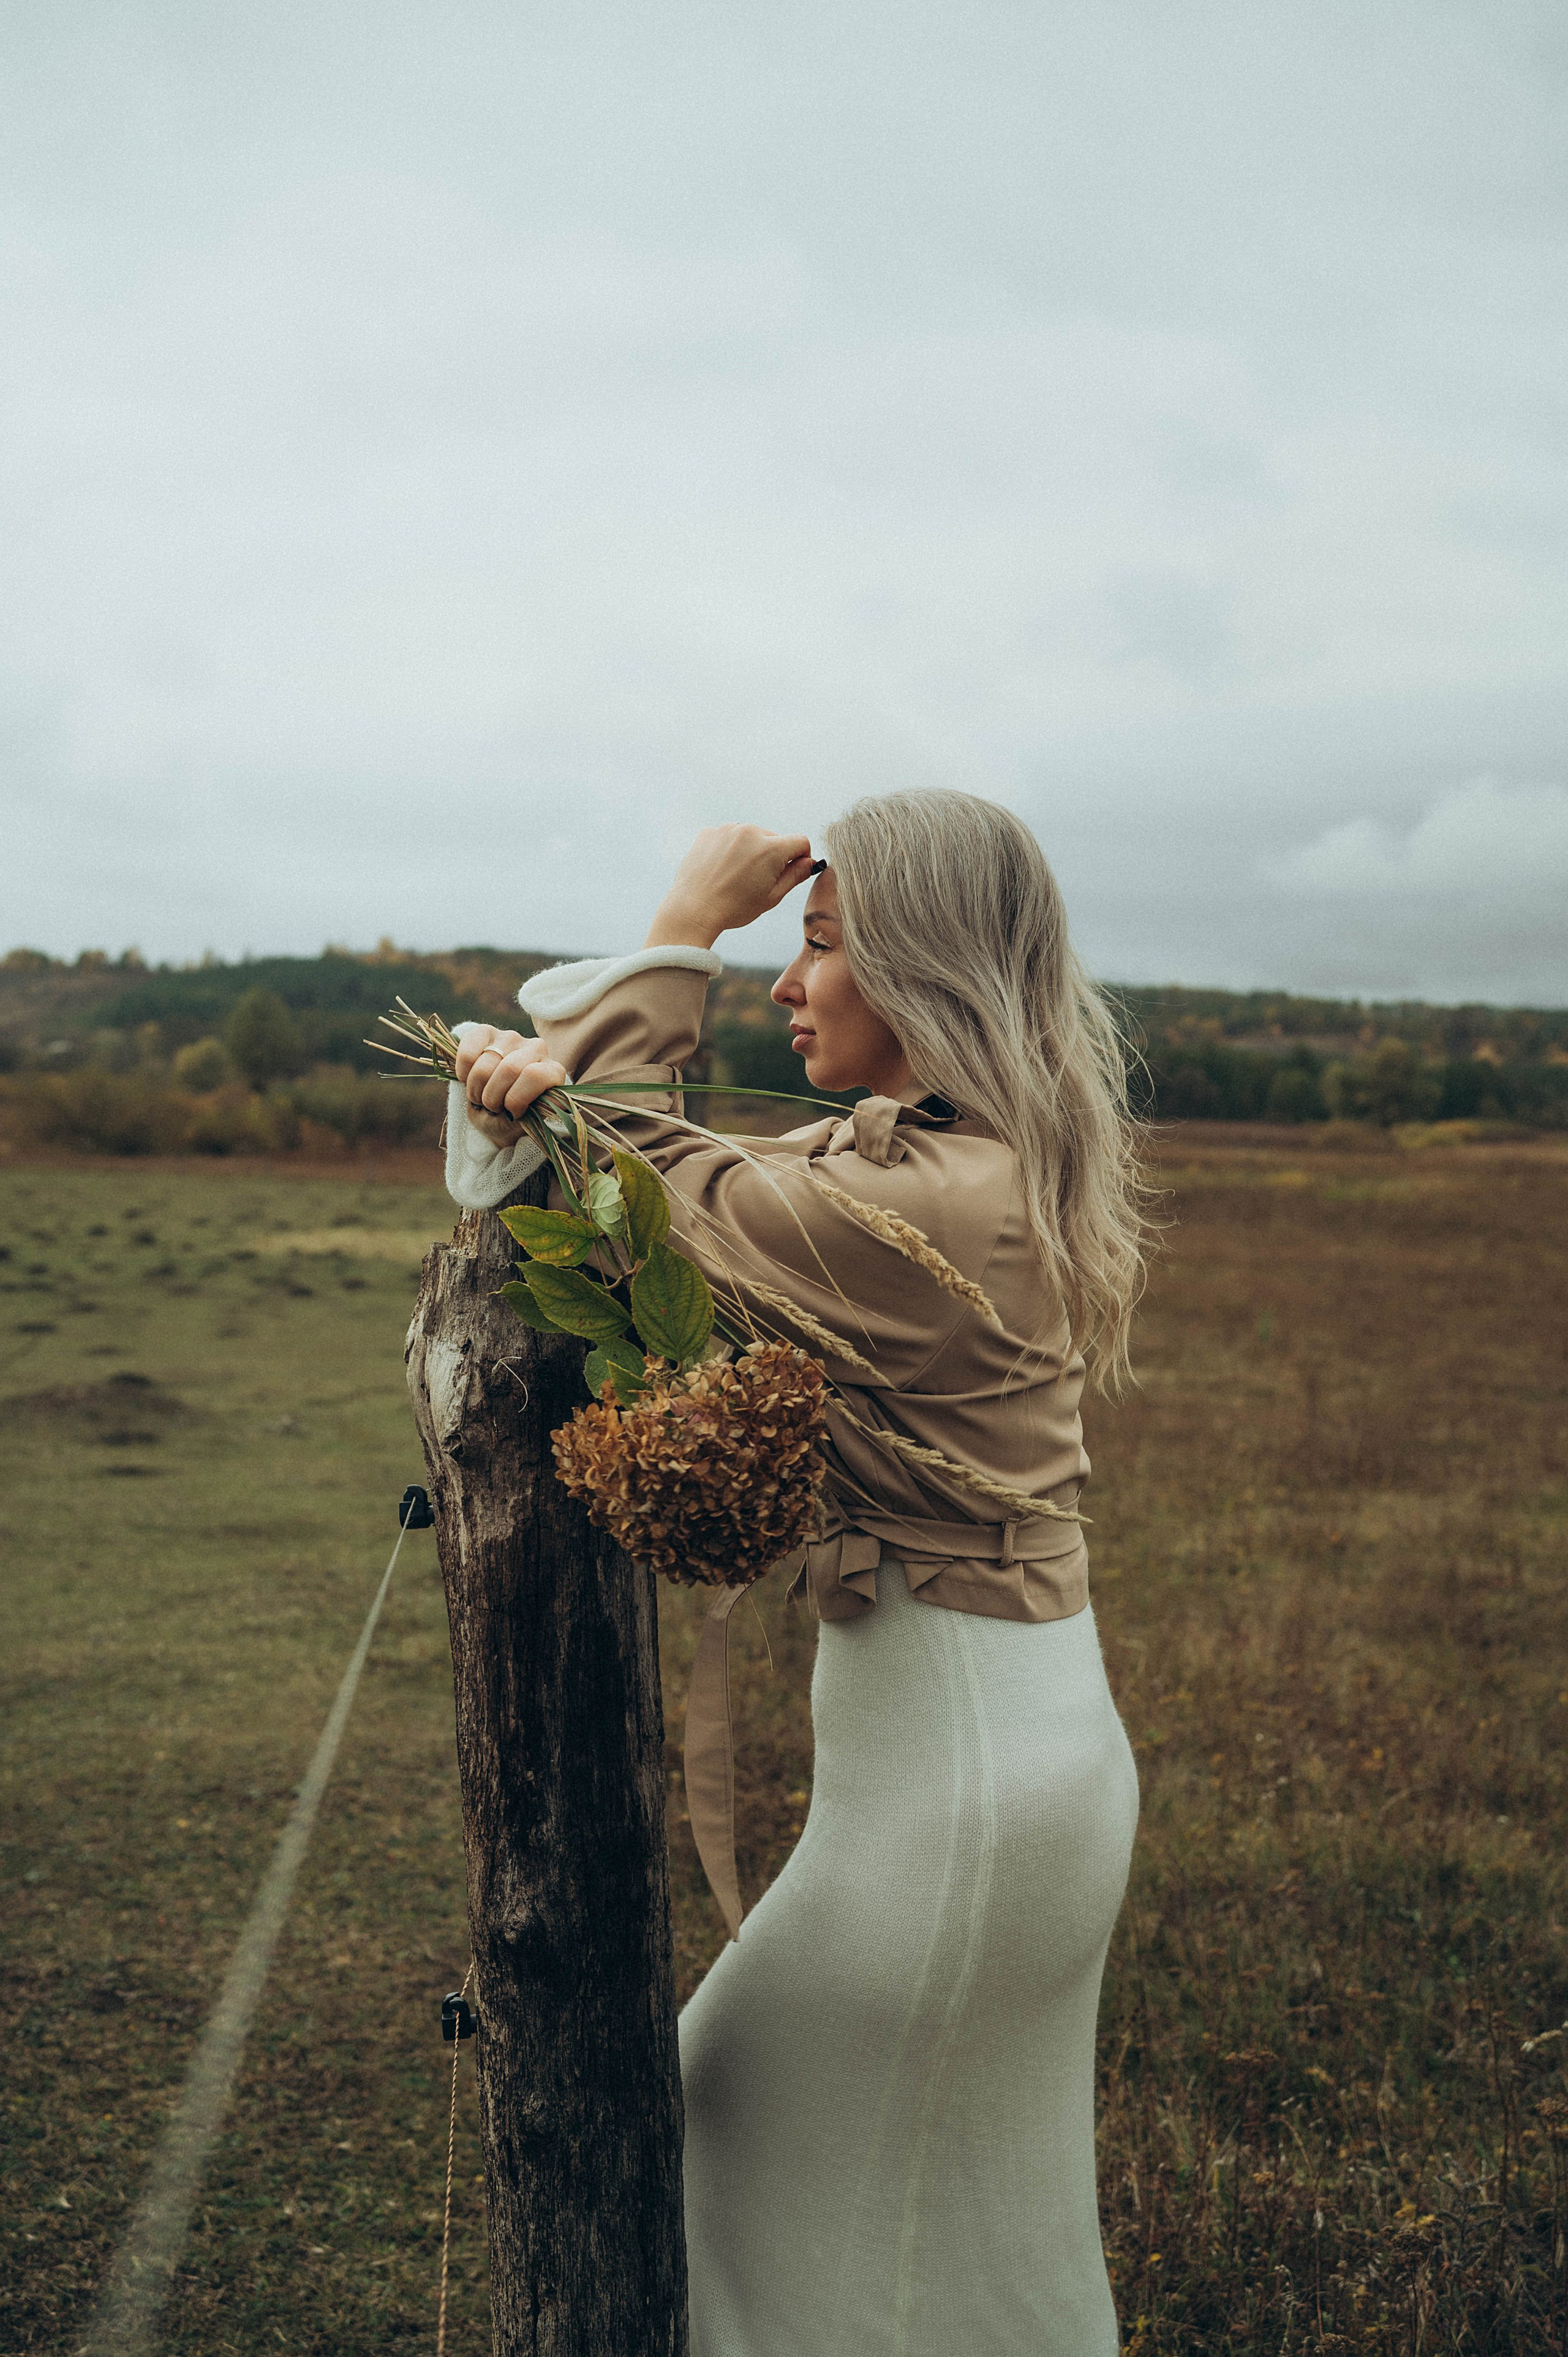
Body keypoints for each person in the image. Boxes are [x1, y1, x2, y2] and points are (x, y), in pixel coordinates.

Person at [445, 790, 1146, 2357]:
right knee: (971, 2231)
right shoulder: (969, 1163)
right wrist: (569, 1075)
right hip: (1011, 1768)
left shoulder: (919, 1206)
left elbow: (615, 1194)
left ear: (922, 973)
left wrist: (684, 918)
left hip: (958, 1804)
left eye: (817, 948)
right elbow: (651, 1161)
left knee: (707, 2144)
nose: (784, 983)